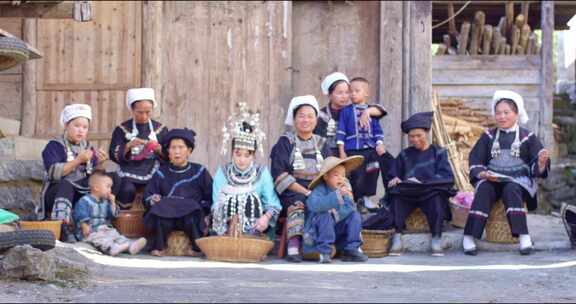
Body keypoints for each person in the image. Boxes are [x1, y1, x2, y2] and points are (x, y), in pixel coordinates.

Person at [463, 90, 550, 256]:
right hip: (492, 178)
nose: (501, 117)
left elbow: (537, 167)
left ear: (517, 113)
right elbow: (475, 160)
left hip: (518, 181)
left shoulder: (528, 137)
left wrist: (540, 162)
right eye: (498, 113)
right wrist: (482, 174)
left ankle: (524, 237)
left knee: (511, 189)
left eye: (506, 113)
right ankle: (469, 236)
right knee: (484, 190)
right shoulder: (488, 136)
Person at [40, 104, 127, 242]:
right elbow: (52, 173)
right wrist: (78, 160)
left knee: (112, 175)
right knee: (66, 184)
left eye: (84, 127)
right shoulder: (54, 146)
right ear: (66, 125)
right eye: (76, 126)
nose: (81, 131)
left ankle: (103, 219)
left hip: (81, 192)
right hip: (58, 192)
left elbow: (92, 175)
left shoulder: (87, 147)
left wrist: (101, 163)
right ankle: (64, 227)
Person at [270, 95, 331, 262]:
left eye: (310, 116)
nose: (306, 120)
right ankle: (293, 246)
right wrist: (306, 192)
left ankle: (333, 247)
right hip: (292, 191)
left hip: (318, 190)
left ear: (316, 120)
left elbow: (332, 170)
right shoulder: (285, 142)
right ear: (294, 119)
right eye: (301, 116)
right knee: (298, 202)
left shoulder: (322, 143)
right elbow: (279, 175)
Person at [387, 112, 456, 256]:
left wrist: (424, 182)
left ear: (427, 132)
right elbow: (394, 174)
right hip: (409, 192)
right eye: (411, 136)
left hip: (430, 191)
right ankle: (397, 237)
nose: (415, 139)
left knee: (437, 200)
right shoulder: (405, 154)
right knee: (396, 197)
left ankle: (436, 238)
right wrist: (395, 179)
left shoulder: (439, 152)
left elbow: (446, 176)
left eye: (419, 135)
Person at [211, 103, 281, 239]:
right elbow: (216, 204)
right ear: (232, 153)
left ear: (253, 155)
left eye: (247, 155)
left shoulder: (261, 173)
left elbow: (273, 204)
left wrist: (265, 218)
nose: (242, 160)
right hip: (226, 227)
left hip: (256, 228)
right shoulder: (223, 172)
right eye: (238, 154)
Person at [143, 128, 213, 257]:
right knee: (160, 215)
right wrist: (154, 199)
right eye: (173, 148)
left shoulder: (200, 171)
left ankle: (197, 248)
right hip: (167, 215)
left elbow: (210, 196)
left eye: (181, 147)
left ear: (189, 151)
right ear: (168, 151)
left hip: (190, 217)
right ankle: (159, 247)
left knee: (192, 215)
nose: (177, 151)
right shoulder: (160, 173)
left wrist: (203, 211)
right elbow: (148, 196)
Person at [336, 77, 394, 211]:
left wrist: (379, 143)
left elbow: (377, 130)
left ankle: (368, 199)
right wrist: (342, 151)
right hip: (353, 150)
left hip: (370, 149)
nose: (353, 94)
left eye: (357, 91)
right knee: (357, 175)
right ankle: (356, 201)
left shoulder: (371, 111)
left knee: (372, 172)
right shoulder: (346, 111)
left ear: (366, 93)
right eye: (351, 91)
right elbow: (341, 132)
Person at [109, 88, 168, 209]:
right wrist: (128, 146)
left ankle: (151, 224)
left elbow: (169, 155)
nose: (144, 116)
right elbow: (113, 154)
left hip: (154, 170)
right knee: (126, 189)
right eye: (140, 112)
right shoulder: (122, 129)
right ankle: (123, 221)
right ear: (132, 109)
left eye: (148, 112)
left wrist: (158, 149)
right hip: (128, 170)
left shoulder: (161, 129)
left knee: (153, 191)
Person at [304, 155, 368, 263]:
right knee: (325, 215)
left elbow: (350, 207)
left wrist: (336, 215)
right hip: (319, 234)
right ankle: (325, 252)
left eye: (343, 175)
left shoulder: (344, 190)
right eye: (336, 175)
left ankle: (351, 249)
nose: (340, 178)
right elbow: (314, 205)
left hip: (337, 233)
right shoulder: (319, 190)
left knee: (354, 215)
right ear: (325, 177)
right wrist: (336, 196)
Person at [73, 171, 147, 256]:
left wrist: (112, 203)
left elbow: (112, 216)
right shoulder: (84, 201)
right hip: (91, 231)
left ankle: (130, 246)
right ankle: (111, 248)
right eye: (108, 187)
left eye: (110, 187)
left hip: (105, 229)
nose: (110, 190)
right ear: (96, 188)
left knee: (115, 235)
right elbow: (81, 214)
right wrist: (84, 225)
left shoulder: (106, 202)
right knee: (100, 239)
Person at [315, 72, 387, 158]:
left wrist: (368, 111)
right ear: (330, 95)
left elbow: (381, 111)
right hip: (329, 156)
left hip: (353, 154)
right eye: (340, 93)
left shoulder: (355, 110)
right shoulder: (321, 115)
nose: (344, 96)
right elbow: (318, 141)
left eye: (347, 92)